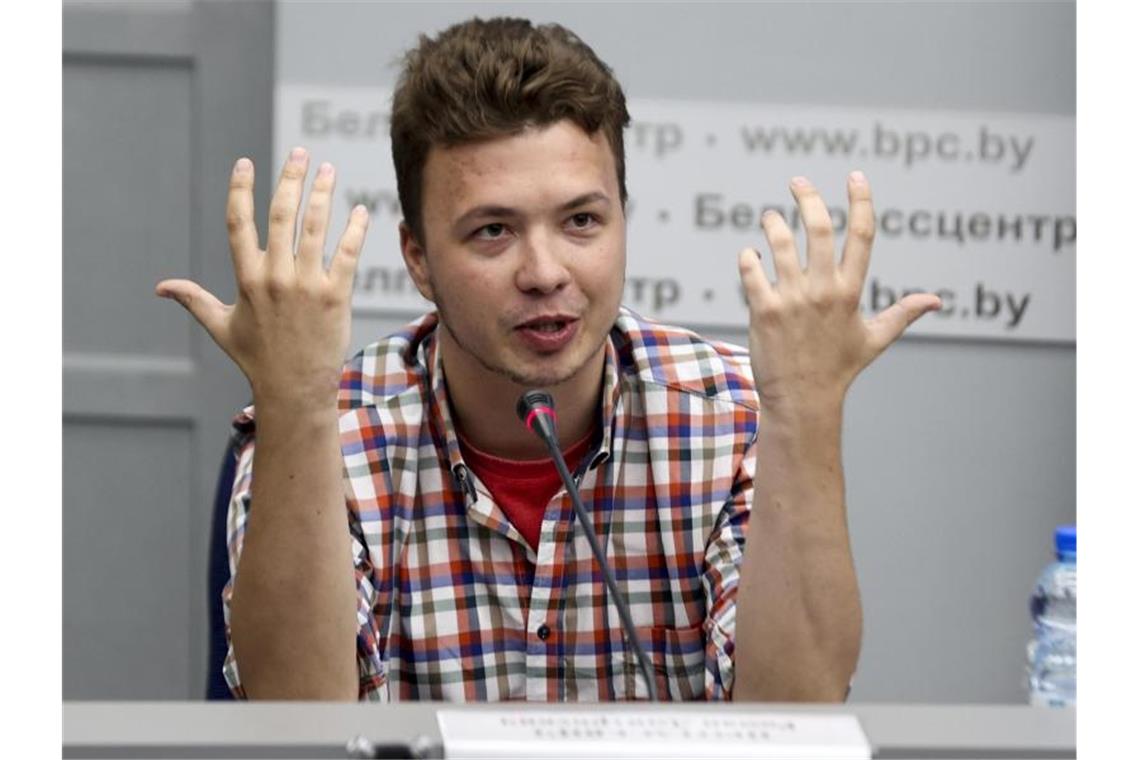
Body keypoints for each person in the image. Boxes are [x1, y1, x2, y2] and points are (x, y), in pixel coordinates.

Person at [156, 17, 940, 702]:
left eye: (581, 221)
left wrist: (805, 414)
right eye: (491, 231)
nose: (545, 272)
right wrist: (295, 402)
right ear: (419, 259)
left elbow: (794, 721)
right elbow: (299, 726)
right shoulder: (325, 425)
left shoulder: (732, 414)